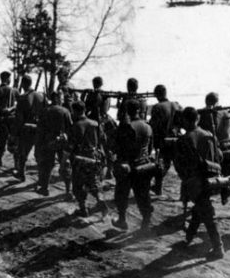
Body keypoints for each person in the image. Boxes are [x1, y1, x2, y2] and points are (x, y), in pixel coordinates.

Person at [174, 106, 225, 259]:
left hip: (196, 182)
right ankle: (189, 237)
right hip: (213, 179)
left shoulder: (184, 139)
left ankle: (218, 248)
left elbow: (179, 166)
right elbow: (220, 157)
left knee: (207, 214)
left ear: (184, 121)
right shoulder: (209, 135)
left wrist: (186, 180)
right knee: (201, 208)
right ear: (197, 119)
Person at [199, 92, 230, 219]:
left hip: (217, 150)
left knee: (207, 178)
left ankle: (206, 208)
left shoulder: (209, 114)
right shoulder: (227, 113)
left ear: (207, 102)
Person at [113, 98, 154, 231]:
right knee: (143, 196)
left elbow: (118, 148)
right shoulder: (148, 127)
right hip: (144, 166)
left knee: (121, 194)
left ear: (127, 111)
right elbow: (150, 148)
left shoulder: (125, 127)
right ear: (139, 110)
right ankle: (146, 223)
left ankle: (122, 220)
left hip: (128, 168)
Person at [68, 100, 107, 217]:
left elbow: (71, 145)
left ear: (74, 111)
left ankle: (83, 209)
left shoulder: (75, 126)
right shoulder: (95, 124)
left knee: (77, 185)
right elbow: (103, 140)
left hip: (80, 159)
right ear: (84, 110)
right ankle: (101, 201)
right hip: (95, 157)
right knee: (93, 182)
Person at [34, 91, 73, 195]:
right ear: (58, 99)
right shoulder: (65, 111)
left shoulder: (45, 111)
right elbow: (70, 128)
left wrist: (38, 145)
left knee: (47, 165)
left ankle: (45, 188)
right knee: (65, 165)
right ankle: (68, 191)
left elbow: (40, 130)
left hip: (48, 142)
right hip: (62, 142)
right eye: (61, 98)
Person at [149, 84, 182, 196]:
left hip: (164, 140)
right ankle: (184, 194)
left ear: (157, 95)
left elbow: (153, 126)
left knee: (162, 164)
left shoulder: (157, 107)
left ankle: (158, 188)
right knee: (180, 167)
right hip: (177, 139)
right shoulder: (177, 105)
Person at [13, 75, 46, 181]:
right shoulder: (41, 96)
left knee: (23, 152)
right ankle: (42, 180)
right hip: (39, 129)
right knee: (38, 155)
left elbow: (19, 118)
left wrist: (15, 133)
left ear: (22, 84)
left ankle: (21, 173)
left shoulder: (23, 98)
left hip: (26, 129)